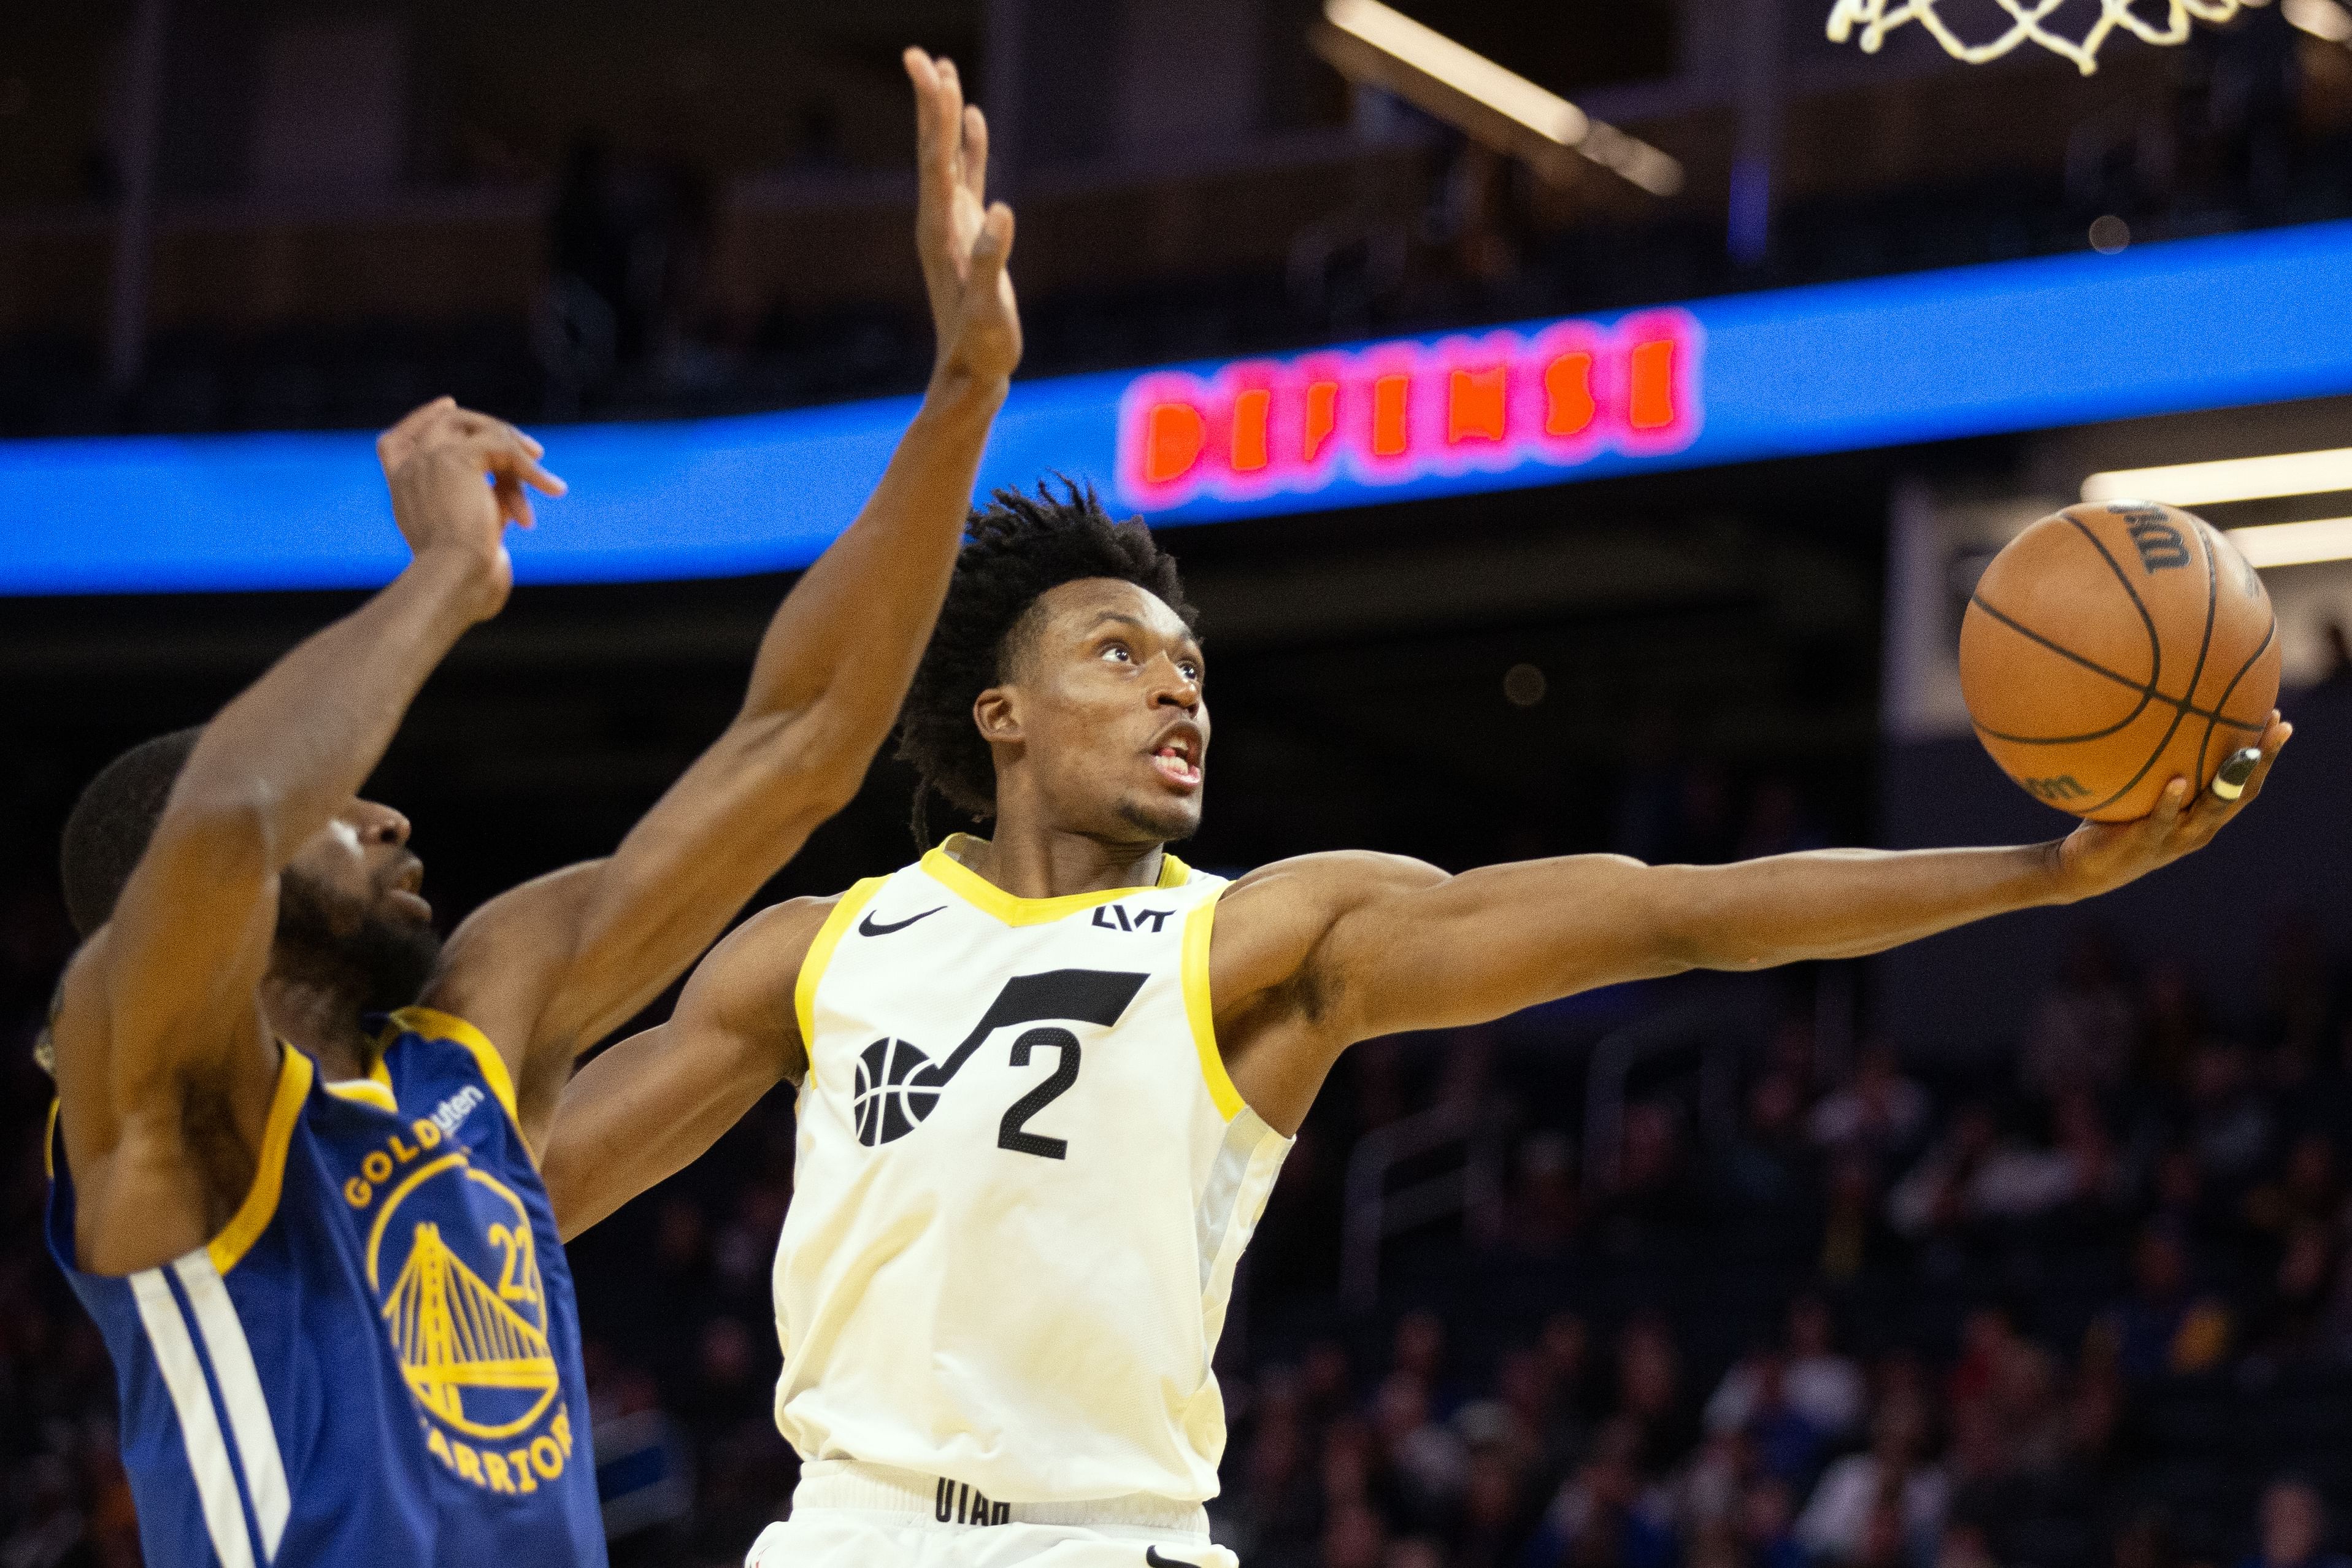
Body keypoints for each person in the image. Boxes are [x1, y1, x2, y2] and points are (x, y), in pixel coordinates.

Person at [543, 488, 2289, 1567]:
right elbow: (516, 1205)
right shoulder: (817, 948)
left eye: (1193, 667)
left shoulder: (1261, 937)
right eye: (1119, 655)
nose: (1178, 688)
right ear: (999, 713)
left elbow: (1673, 905)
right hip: (834, 1539)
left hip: (1105, 1541)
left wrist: (2038, 875)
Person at [39, 48, 1018, 1567]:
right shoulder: (157, 1099)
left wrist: (960, 400)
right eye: (347, 812)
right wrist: (445, 580)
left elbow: (804, 744)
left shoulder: (473, 1055)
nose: (393, 826)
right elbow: (228, 819)